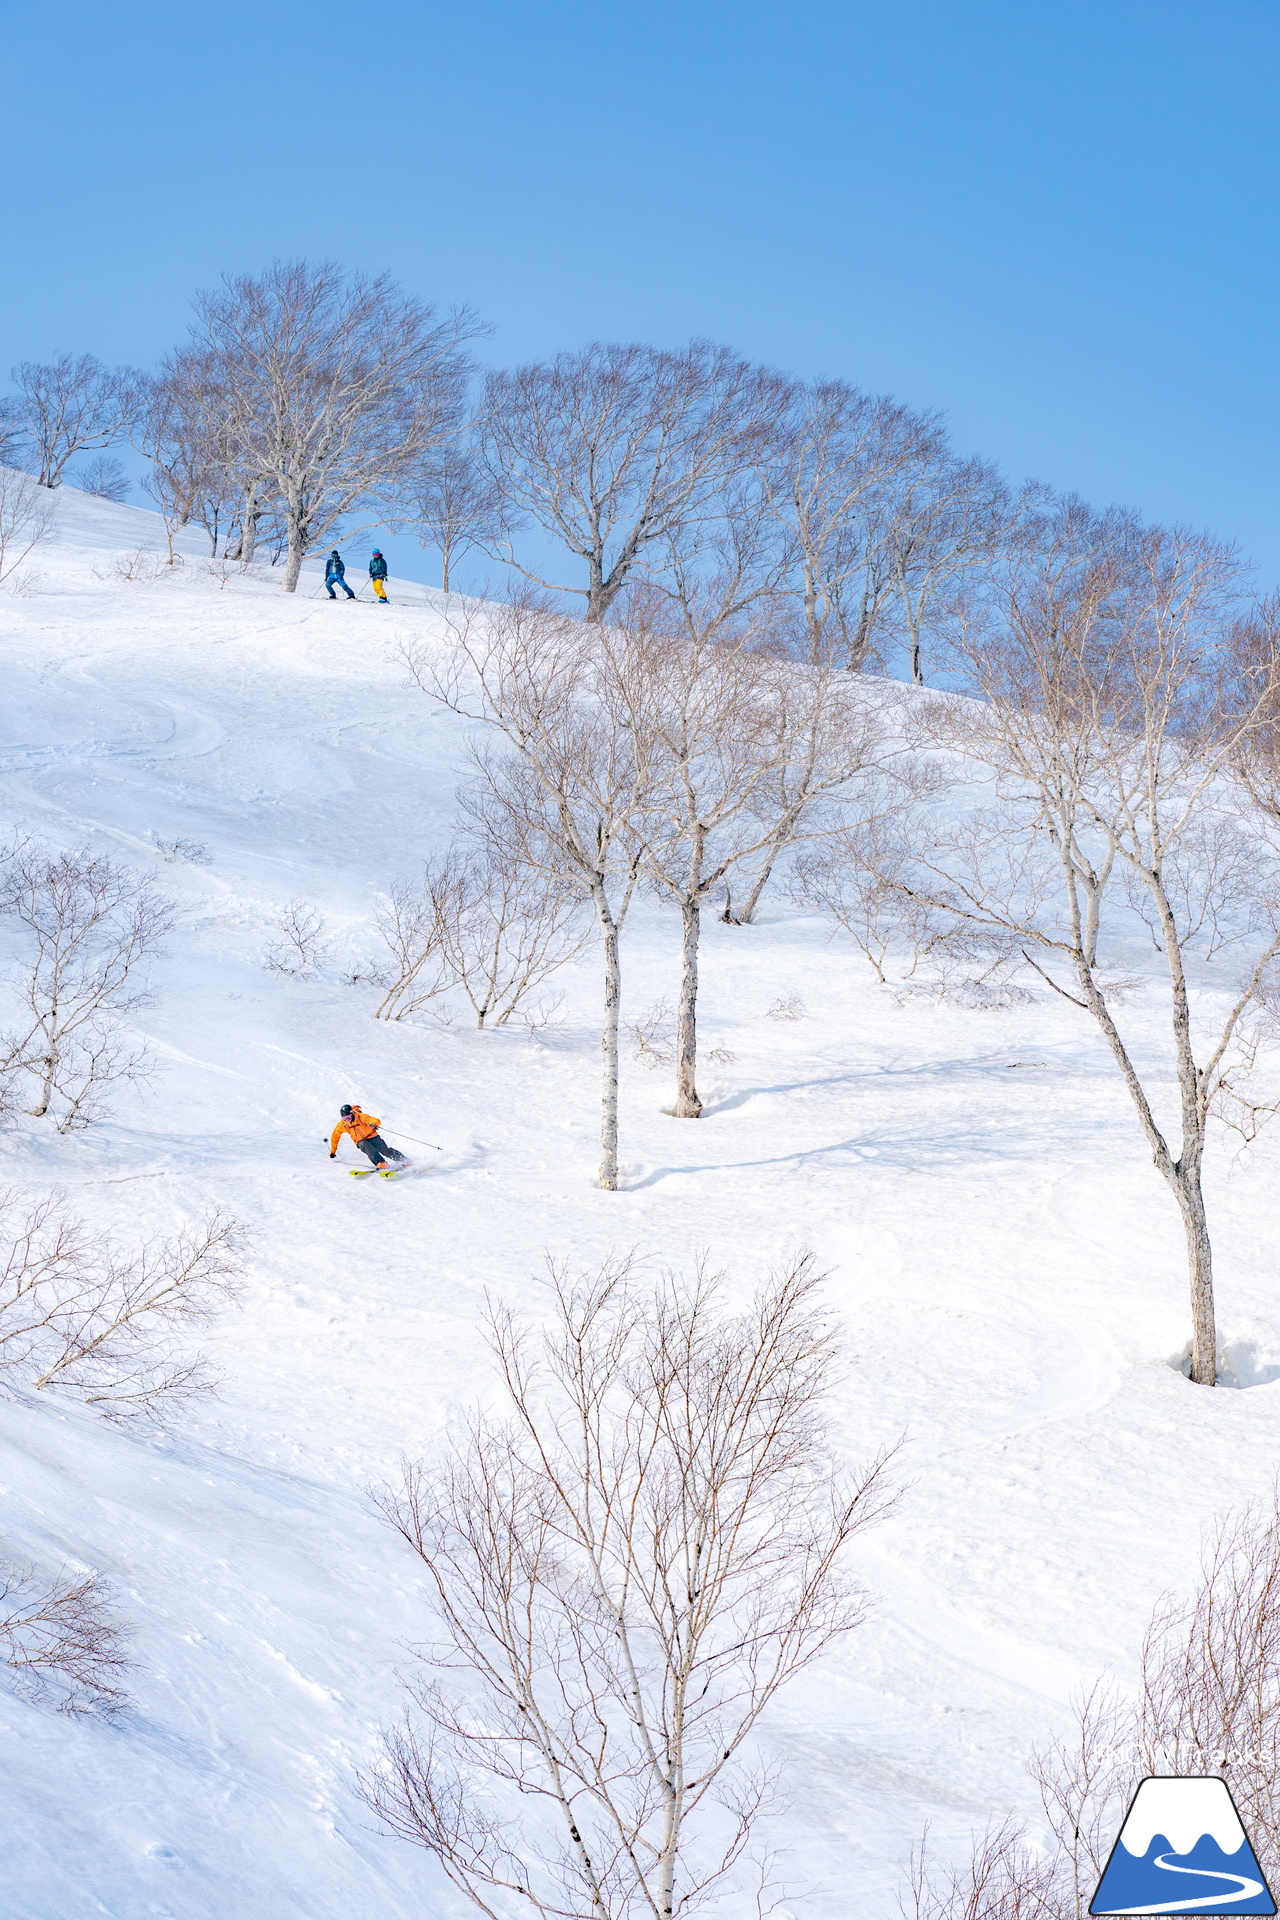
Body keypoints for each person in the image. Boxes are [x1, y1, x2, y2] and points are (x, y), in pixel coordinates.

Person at [329, 1103, 409, 1173]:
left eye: (349, 1117)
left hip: (372, 1136)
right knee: (365, 1145)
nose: (347, 1120)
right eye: (344, 1118)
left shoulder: (360, 1117)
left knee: (385, 1150)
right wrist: (333, 1151)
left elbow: (375, 1120)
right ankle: (381, 1163)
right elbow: (335, 1136)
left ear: (352, 1114)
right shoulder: (342, 1125)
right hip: (360, 1141)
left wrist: (373, 1123)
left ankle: (404, 1160)